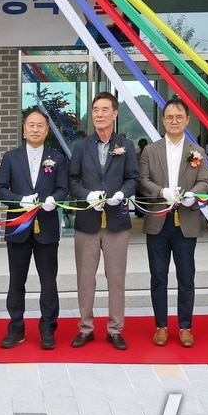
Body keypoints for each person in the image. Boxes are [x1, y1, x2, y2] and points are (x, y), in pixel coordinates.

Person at [136, 98, 208, 348]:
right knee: (158, 276)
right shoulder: (151, 150)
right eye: (170, 117)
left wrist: (192, 193)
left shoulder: (196, 151)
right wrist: (160, 192)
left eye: (180, 117)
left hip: (186, 221)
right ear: (163, 120)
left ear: (187, 120)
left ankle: (185, 326)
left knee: (186, 276)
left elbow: (205, 182)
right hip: (158, 221)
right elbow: (143, 181)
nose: (175, 121)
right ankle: (160, 326)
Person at [66, 91, 139, 350]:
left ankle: (115, 329)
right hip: (88, 221)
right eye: (95, 109)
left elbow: (133, 178)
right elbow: (72, 179)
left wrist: (121, 194)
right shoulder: (81, 146)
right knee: (86, 277)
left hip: (117, 222)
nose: (99, 114)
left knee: (116, 277)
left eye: (104, 109)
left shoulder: (126, 146)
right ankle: (85, 328)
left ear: (115, 114)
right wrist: (87, 195)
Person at [0, 109, 69, 351]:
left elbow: (63, 188)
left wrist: (53, 199)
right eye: (31, 125)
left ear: (47, 130)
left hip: (46, 228)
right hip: (18, 228)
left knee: (48, 281)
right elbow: (0, 189)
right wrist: (19, 200)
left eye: (40, 126)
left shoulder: (56, 158)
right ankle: (16, 328)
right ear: (23, 129)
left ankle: (48, 327)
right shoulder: (10, 157)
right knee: (17, 281)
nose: (35, 129)